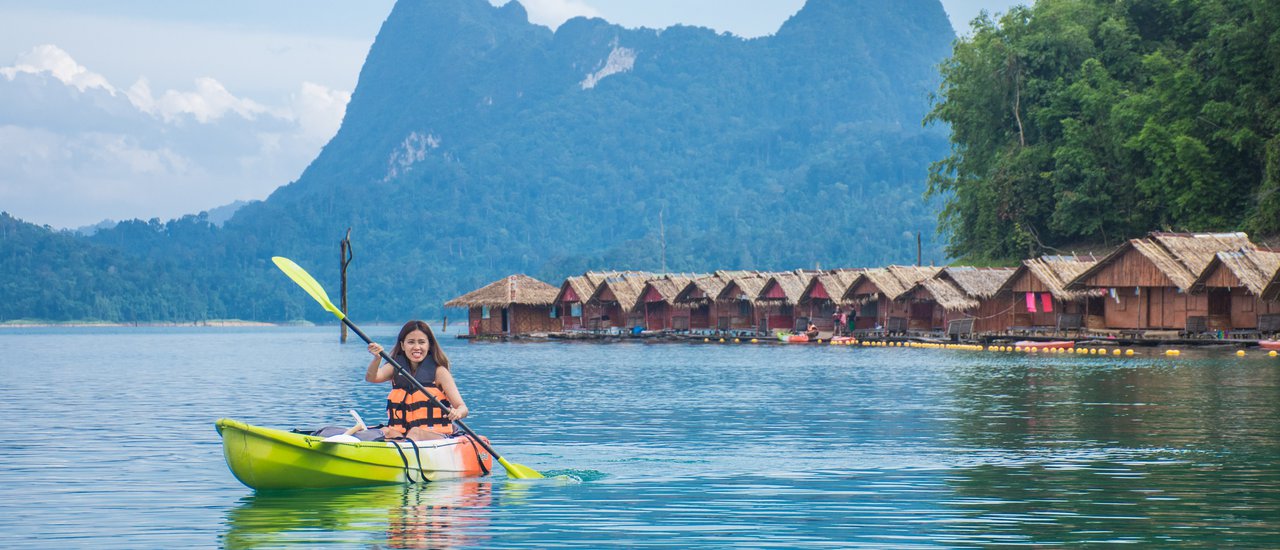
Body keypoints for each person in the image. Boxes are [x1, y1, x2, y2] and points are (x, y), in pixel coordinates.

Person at [366, 320, 469, 440]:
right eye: (411, 342)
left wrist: (457, 412)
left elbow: (463, 407)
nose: (416, 347)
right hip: (404, 436)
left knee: (415, 432)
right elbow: (372, 377)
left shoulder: (440, 372)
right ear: (403, 346)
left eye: (421, 342)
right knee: (385, 431)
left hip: (436, 437)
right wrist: (377, 358)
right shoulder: (395, 367)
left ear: (429, 345)